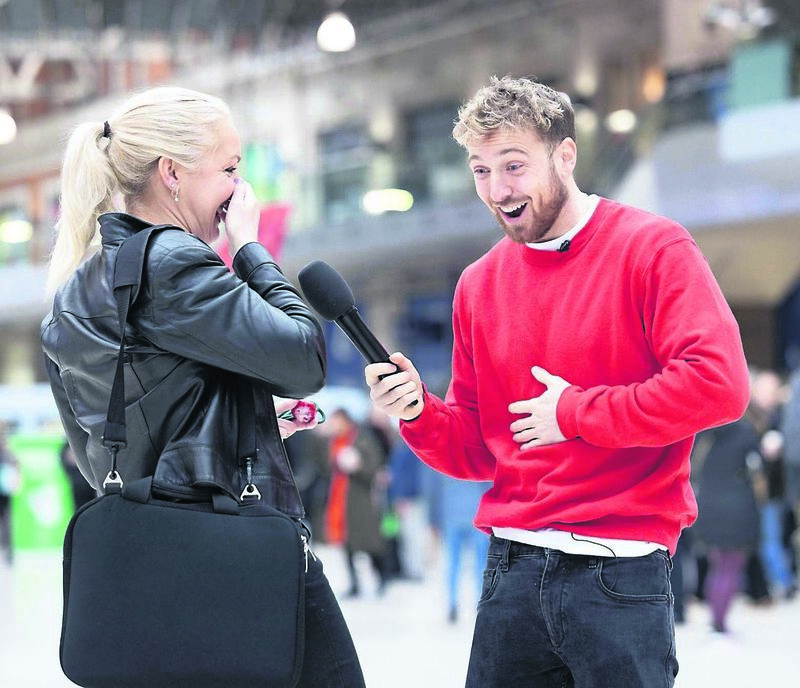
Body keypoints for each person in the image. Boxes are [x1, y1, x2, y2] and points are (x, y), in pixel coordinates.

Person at [364, 75, 749, 687]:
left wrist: (575, 413)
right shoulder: (478, 285)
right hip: (511, 571)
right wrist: (418, 413)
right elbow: (473, 449)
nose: (497, 189)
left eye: (513, 165)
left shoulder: (653, 249)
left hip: (617, 572)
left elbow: (719, 385)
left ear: (564, 156)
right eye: (481, 170)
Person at [40, 86, 365, 687]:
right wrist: (249, 247)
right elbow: (303, 357)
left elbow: (103, 458)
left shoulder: (72, 293)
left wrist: (248, 414)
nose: (240, 192)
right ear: (172, 173)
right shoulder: (174, 263)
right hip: (238, 555)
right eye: (230, 170)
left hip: (149, 574)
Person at [324, 408, 389, 597]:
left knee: (369, 543)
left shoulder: (362, 439)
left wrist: (357, 465)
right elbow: (325, 467)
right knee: (347, 544)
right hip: (339, 500)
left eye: (337, 421)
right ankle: (354, 584)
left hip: (360, 501)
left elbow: (374, 469)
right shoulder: (333, 441)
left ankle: (382, 577)